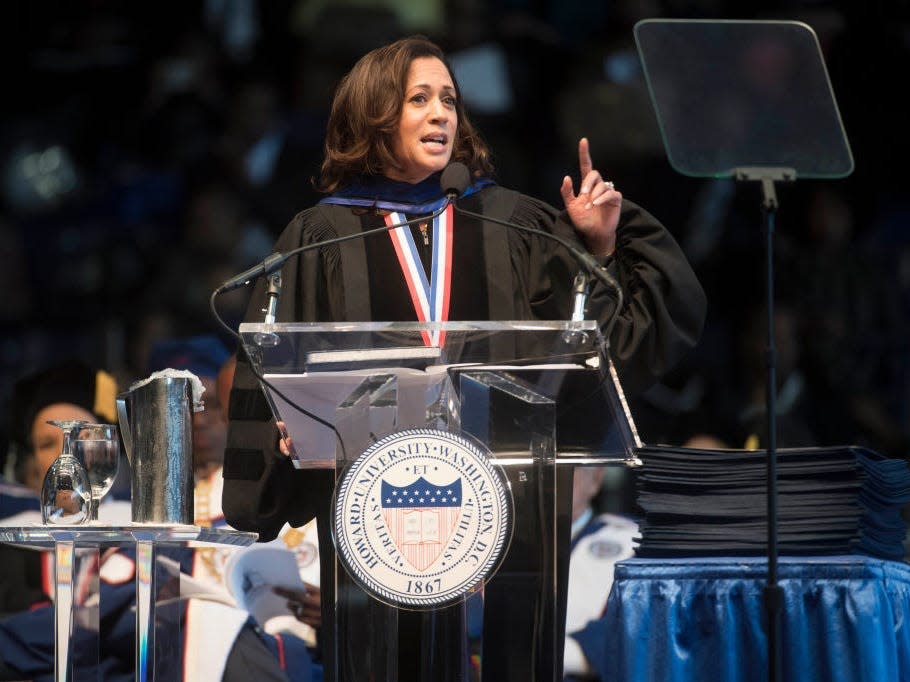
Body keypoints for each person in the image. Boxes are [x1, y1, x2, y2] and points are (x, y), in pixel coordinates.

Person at [222, 34, 706, 680]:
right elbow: (273, 364)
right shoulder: (319, 237)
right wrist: (291, 431)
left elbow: (587, 352)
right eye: (419, 98)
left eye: (448, 98)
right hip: (370, 526)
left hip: (504, 519)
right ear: (374, 114)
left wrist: (598, 249)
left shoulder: (509, 224)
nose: (441, 113)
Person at [563, 466, 638, 681]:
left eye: (568, 469)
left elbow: (624, 638)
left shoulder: (631, 544)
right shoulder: (495, 541)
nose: (553, 479)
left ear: (596, 478)